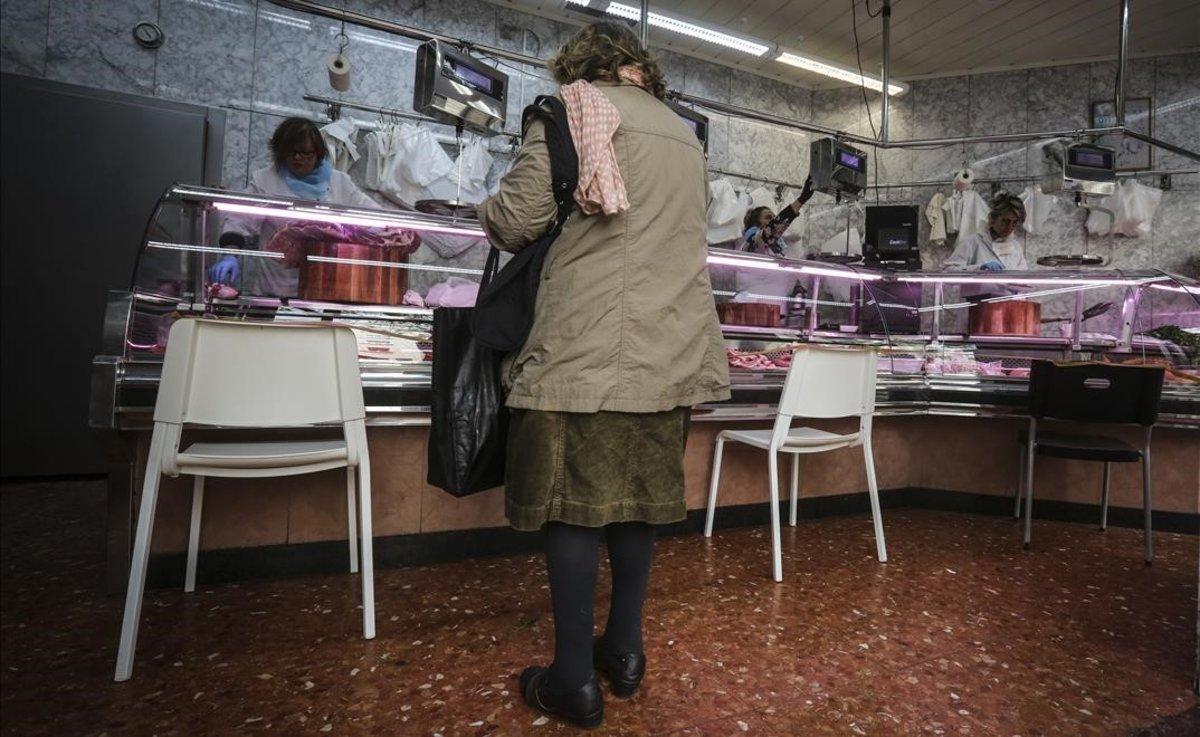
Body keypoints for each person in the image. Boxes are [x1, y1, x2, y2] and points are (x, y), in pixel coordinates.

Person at [476, 21, 730, 729]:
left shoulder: (567, 113)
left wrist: (484, 209)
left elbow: (518, 216)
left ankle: (571, 681)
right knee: (637, 503)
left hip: (587, 346)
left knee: (571, 506)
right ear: (641, 68)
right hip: (669, 348)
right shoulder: (686, 136)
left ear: (581, 67)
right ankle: (623, 652)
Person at [212, 117, 378, 297]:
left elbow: (374, 214)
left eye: (306, 153)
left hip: (324, 290)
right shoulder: (265, 180)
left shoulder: (340, 182)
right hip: (275, 290)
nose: (298, 158)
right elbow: (239, 219)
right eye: (292, 152)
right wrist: (230, 254)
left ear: (318, 153)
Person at [944, 191, 1028, 272]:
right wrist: (979, 269)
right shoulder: (972, 243)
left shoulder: (1016, 247)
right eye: (1005, 221)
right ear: (992, 219)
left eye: (1014, 223)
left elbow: (1023, 277)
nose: (1009, 227)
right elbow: (948, 271)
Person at [737, 177, 814, 257]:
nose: (773, 220)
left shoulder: (775, 245)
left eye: (774, 217)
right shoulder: (752, 240)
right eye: (768, 217)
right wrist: (801, 200)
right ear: (756, 223)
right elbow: (772, 228)